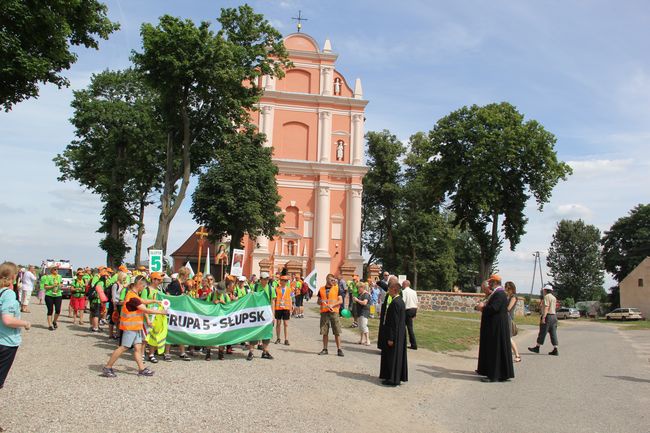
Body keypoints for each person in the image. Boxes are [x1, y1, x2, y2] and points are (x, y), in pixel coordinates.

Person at [101, 276, 167, 378]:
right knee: (124, 347)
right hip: (130, 327)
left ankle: (142, 369)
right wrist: (161, 312)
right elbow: (145, 309)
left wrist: (155, 301)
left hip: (135, 327)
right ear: (139, 284)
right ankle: (108, 367)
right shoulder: (132, 297)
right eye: (144, 286)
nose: (144, 288)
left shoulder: (133, 295)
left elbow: (142, 301)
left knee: (138, 347)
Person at [0, 262, 31, 398]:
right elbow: (8, 320)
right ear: (13, 277)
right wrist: (25, 323)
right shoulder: (8, 295)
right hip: (6, 342)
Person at [476, 275, 515, 382]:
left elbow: (494, 308)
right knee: (498, 349)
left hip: (497, 326)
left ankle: (493, 375)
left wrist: (482, 307)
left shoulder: (499, 293)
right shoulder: (498, 293)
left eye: (490, 282)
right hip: (497, 325)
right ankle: (501, 373)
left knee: (495, 350)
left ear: (495, 282)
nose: (489, 285)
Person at [379, 279, 408, 386]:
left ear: (394, 290)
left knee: (392, 357)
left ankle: (392, 378)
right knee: (395, 356)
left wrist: (391, 338)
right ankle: (394, 377)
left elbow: (394, 322)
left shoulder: (396, 302)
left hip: (394, 334)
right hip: (399, 333)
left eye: (390, 289)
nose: (388, 291)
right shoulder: (399, 301)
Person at [245, 272, 275, 361]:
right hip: (257, 314)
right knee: (254, 332)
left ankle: (265, 351)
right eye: (264, 279)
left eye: (267, 279)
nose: (266, 280)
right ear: (260, 279)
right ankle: (251, 351)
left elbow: (272, 302)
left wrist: (273, 315)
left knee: (267, 333)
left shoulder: (271, 289)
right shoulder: (256, 287)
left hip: (267, 314)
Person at [164, 267, 191, 361]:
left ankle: (182, 352)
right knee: (170, 331)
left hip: (180, 311)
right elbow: (168, 295)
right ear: (183, 275)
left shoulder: (183, 284)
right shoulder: (175, 283)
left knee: (181, 330)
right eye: (187, 275)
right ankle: (166, 353)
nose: (188, 277)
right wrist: (179, 297)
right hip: (173, 310)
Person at [142, 272, 166, 363]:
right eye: (158, 280)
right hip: (148, 316)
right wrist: (147, 318)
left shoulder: (160, 290)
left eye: (161, 280)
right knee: (145, 337)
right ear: (153, 279)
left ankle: (151, 354)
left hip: (157, 316)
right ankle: (142, 354)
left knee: (154, 336)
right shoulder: (146, 290)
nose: (160, 282)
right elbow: (143, 305)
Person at [528, 284, 559, 356]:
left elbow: (546, 307)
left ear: (545, 290)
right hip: (554, 316)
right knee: (553, 333)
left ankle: (537, 347)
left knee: (542, 332)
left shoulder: (546, 297)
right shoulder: (554, 298)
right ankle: (555, 349)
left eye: (543, 290)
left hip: (548, 316)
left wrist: (544, 317)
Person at [318, 273, 344, 357]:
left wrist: (332, 305)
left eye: (334, 280)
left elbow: (340, 301)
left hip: (334, 312)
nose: (333, 281)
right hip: (324, 312)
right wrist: (321, 301)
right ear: (327, 280)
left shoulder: (337, 288)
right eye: (332, 280)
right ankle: (325, 349)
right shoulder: (321, 289)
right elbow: (318, 301)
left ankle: (339, 349)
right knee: (324, 331)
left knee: (337, 331)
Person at [41, 267, 63, 331]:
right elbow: (45, 286)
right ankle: (50, 325)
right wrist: (52, 286)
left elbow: (61, 283)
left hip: (58, 294)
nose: (56, 270)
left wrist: (61, 285)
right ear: (52, 271)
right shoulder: (48, 277)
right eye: (55, 269)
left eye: (57, 269)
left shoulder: (59, 276)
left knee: (58, 310)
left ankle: (54, 321)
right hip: (49, 295)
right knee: (50, 310)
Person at [505, 281, 521, 362]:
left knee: (509, 338)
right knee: (505, 338)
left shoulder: (513, 297)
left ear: (512, 288)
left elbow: (508, 308)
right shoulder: (508, 296)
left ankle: (517, 355)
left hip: (508, 318)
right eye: (506, 287)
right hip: (505, 317)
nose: (506, 289)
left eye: (508, 288)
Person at [274, 275, 292, 346]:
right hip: (278, 308)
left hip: (286, 308)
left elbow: (290, 298)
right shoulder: (276, 289)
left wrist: (291, 306)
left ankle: (286, 339)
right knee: (278, 323)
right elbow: (274, 299)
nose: (284, 282)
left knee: (286, 324)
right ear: (280, 281)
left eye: (286, 281)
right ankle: (278, 338)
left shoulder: (289, 289)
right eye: (283, 280)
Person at [401, 280, 419, 350]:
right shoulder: (414, 292)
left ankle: (407, 343)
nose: (402, 285)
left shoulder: (404, 292)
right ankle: (413, 344)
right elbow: (416, 302)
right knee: (410, 327)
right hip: (413, 309)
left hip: (407, 310)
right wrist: (415, 313)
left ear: (405, 284)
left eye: (402, 284)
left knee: (403, 327)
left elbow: (403, 302)